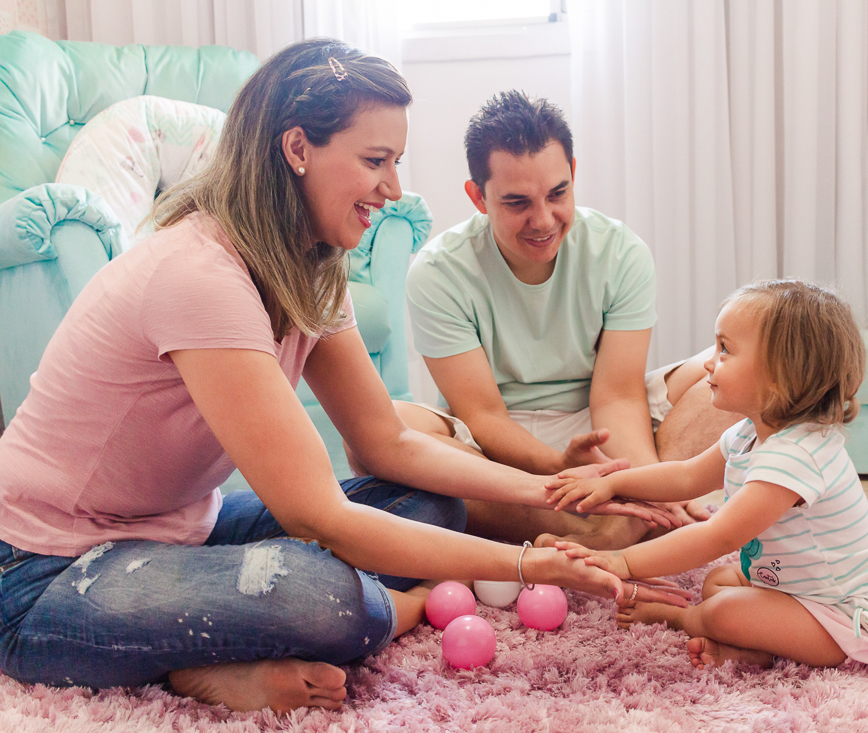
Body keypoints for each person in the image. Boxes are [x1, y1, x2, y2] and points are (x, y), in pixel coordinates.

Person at [0, 39, 685, 715]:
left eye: (396, 161)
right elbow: (316, 514)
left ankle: (226, 633)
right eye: (375, 161)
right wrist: (526, 564)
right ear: (298, 148)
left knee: (429, 504)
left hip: (179, 529)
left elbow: (386, 440)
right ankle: (199, 665)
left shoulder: (314, 265)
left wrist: (561, 493)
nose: (392, 188)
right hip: (39, 568)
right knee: (320, 599)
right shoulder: (200, 274)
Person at [386, 90, 739, 549]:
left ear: (573, 173)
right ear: (478, 197)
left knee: (744, 364)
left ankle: (633, 510)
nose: (543, 219)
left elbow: (617, 396)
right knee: (385, 425)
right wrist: (559, 467)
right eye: (517, 203)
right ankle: (607, 528)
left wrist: (645, 479)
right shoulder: (438, 272)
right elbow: (483, 414)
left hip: (598, 424)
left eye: (558, 193)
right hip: (495, 447)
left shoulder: (620, 252)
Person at [545, 280, 868, 670]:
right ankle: (751, 650)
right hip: (797, 591)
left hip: (850, 621)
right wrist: (613, 482)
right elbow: (687, 476)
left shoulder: (797, 456)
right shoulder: (748, 432)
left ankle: (681, 618)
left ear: (779, 378)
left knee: (723, 611)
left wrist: (622, 562)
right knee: (720, 582)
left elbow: (718, 534)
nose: (709, 361)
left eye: (725, 349)